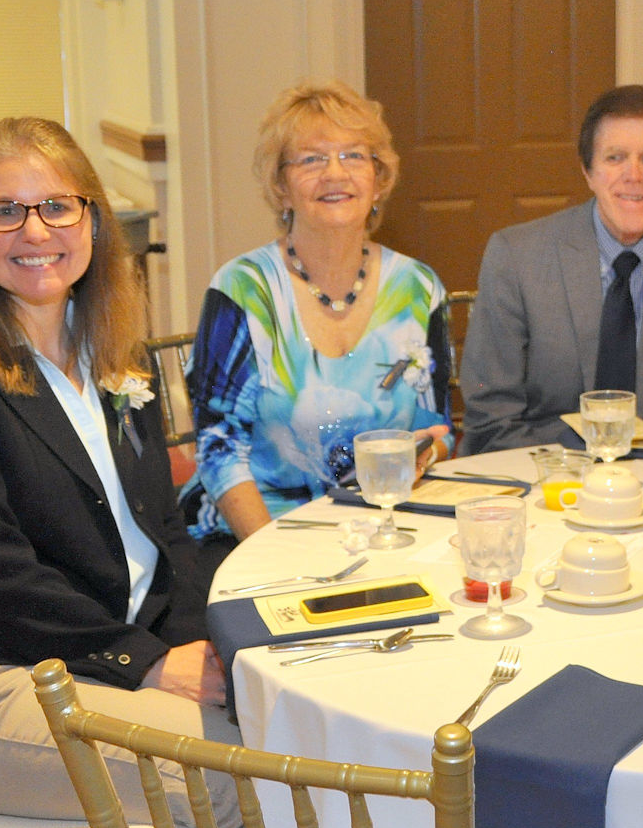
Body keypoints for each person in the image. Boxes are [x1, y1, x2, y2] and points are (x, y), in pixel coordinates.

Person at [0, 116, 242, 828]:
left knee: (290, 730)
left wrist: (204, 647)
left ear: (93, 221)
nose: (35, 230)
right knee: (244, 781)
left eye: (56, 206)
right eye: (5, 210)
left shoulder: (113, 353)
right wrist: (145, 662)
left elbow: (163, 532)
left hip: (99, 659)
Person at [184, 82, 450, 572]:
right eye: (311, 159)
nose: (335, 173)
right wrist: (275, 560)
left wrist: (425, 453)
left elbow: (436, 427)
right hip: (256, 538)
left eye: (353, 155)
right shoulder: (243, 290)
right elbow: (219, 450)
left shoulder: (418, 288)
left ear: (378, 178)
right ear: (281, 186)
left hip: (384, 535)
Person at [460, 84, 643, 453]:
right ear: (588, 171)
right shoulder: (516, 259)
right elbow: (491, 420)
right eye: (615, 158)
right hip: (539, 469)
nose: (633, 175)